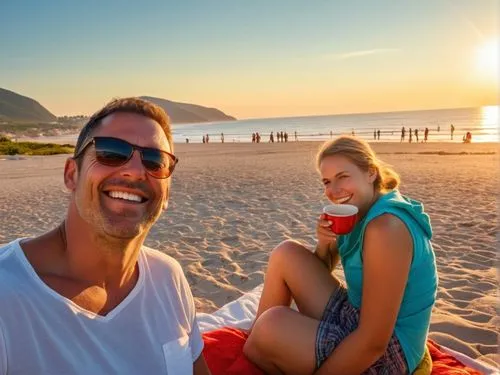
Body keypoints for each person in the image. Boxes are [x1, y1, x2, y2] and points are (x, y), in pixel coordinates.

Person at [0, 98, 211, 374]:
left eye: (155, 161)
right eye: (111, 152)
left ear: (167, 193)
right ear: (71, 175)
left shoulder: (168, 278)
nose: (136, 171)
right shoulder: (8, 296)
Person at [244, 136, 437, 375]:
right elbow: (322, 269)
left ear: (371, 173)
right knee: (286, 253)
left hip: (390, 352)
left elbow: (374, 343)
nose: (333, 191)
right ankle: (259, 347)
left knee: (269, 327)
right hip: (359, 315)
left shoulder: (386, 228)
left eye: (343, 177)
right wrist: (325, 244)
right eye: (326, 181)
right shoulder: (360, 210)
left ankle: (260, 347)